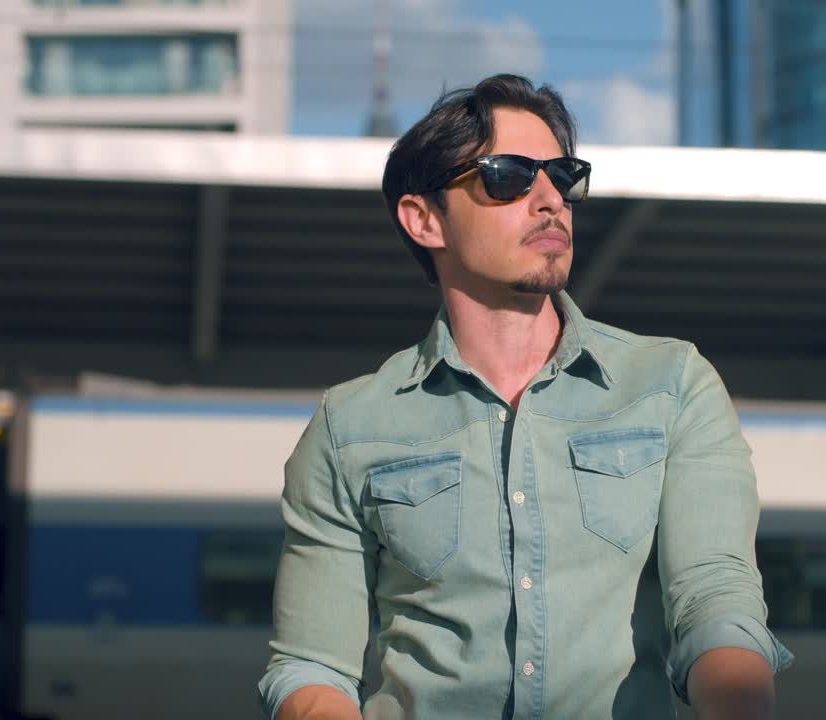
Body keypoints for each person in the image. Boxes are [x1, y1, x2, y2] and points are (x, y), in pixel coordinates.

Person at [258, 73, 792, 720]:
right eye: (508, 176)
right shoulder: (348, 428)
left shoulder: (671, 385)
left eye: (561, 176)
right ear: (424, 219)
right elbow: (312, 667)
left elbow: (715, 603)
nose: (549, 199)